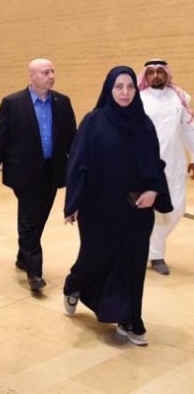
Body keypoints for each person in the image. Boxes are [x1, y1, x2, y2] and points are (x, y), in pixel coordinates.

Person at [62, 66, 171, 346]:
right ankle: (75, 284)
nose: (125, 92)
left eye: (130, 87)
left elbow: (155, 165)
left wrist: (153, 190)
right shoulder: (94, 121)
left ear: (136, 90)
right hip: (99, 208)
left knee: (133, 264)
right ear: (108, 89)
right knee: (95, 258)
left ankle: (130, 319)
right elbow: (79, 164)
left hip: (137, 209)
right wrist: (73, 203)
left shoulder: (143, 124)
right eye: (118, 87)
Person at [0, 58, 76, 292]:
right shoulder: (13, 103)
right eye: (46, 72)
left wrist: (79, 168)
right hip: (23, 173)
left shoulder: (62, 103)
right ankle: (35, 272)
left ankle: (23, 256)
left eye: (53, 71)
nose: (51, 76)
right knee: (28, 219)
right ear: (32, 75)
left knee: (39, 218)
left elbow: (72, 140)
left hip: (52, 171)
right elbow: (0, 140)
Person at [138, 59, 194, 275]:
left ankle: (152, 250)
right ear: (146, 76)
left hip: (174, 163)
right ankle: (155, 254)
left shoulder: (180, 97)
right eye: (151, 72)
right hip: (145, 164)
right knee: (146, 211)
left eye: (160, 72)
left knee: (176, 208)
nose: (155, 76)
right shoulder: (138, 99)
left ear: (166, 74)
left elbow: (189, 129)